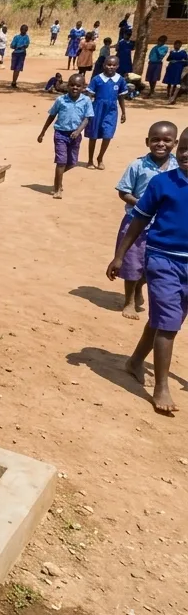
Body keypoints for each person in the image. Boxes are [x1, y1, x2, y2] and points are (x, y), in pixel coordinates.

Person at [107, 127, 188, 415]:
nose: (186, 154)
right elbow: (139, 220)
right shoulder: (162, 183)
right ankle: (162, 386)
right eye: (184, 150)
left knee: (163, 319)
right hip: (163, 260)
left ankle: (134, 361)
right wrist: (120, 256)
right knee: (168, 325)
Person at [114, 121, 178, 320]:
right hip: (136, 223)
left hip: (164, 226)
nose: (161, 144)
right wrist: (143, 205)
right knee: (131, 262)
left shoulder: (179, 167)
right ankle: (129, 301)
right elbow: (124, 192)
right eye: (155, 140)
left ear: (175, 143)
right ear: (147, 142)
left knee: (153, 264)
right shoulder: (138, 165)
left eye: (166, 140)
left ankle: (140, 288)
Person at [37, 73, 93, 199]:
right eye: (72, 85)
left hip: (75, 135)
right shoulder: (61, 100)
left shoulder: (86, 101)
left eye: (78, 86)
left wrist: (78, 131)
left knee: (72, 162)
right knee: (61, 162)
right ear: (67, 86)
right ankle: (57, 189)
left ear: (83, 87)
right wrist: (43, 132)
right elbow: (51, 116)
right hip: (61, 134)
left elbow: (87, 118)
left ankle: (58, 176)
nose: (75, 88)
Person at [85, 55, 126, 170]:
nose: (111, 67)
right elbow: (89, 96)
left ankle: (100, 158)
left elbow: (121, 97)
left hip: (111, 110)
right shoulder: (97, 79)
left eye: (114, 65)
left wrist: (123, 112)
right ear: (103, 65)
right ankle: (90, 159)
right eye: (108, 64)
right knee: (93, 135)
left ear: (117, 66)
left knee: (107, 135)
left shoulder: (120, 80)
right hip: (97, 108)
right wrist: (85, 111)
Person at [9, 24, 31, 88]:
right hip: (16, 53)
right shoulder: (17, 37)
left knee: (17, 69)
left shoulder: (26, 37)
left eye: (24, 30)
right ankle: (14, 81)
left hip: (21, 54)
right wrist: (19, 47)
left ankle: (14, 82)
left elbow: (26, 45)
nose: (23, 31)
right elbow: (12, 45)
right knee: (16, 69)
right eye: (22, 30)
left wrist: (18, 47)